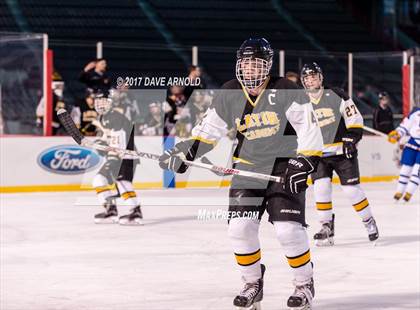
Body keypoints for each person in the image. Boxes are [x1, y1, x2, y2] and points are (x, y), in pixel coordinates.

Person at [159, 38, 323, 309]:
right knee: (239, 229)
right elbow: (208, 131)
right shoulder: (229, 92)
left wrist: (305, 162)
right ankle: (252, 283)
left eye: (255, 63)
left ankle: (304, 284)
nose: (249, 69)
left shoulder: (285, 88)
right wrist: (186, 152)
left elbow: (309, 129)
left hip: (284, 167)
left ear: (267, 65)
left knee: (288, 231)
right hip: (246, 168)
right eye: (245, 63)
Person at [300, 62, 379, 246]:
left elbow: (355, 119)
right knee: (321, 188)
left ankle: (369, 221)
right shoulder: (301, 102)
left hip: (342, 152)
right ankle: (326, 226)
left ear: (321, 78)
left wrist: (352, 137)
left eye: (314, 76)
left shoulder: (336, 94)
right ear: (303, 82)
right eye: (307, 78)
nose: (311, 80)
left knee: (352, 191)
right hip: (318, 154)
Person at [91, 92, 143, 225]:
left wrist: (111, 157)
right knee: (98, 180)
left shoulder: (116, 117)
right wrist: (100, 145)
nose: (100, 104)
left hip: (126, 156)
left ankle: (135, 212)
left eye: (103, 101)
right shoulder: (102, 118)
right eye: (98, 101)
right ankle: (110, 210)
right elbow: (104, 139)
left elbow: (119, 142)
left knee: (122, 183)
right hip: (113, 156)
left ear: (111, 102)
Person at [388, 107, 420, 202]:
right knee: (405, 168)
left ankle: (409, 193)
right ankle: (399, 191)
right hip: (412, 143)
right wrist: (398, 134)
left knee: (417, 171)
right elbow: (405, 126)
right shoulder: (416, 112)